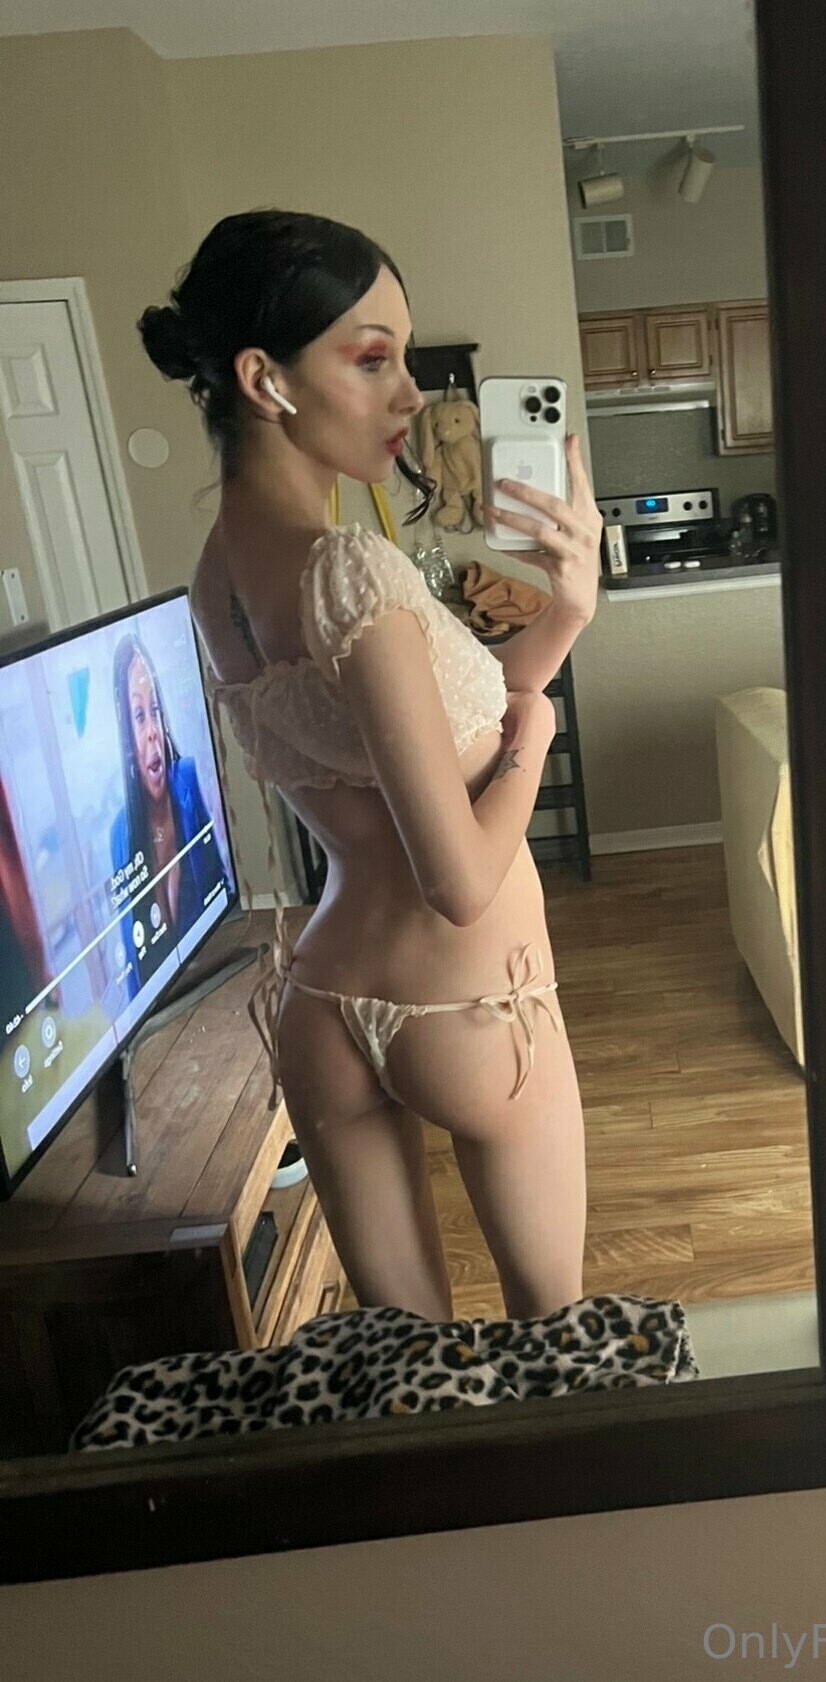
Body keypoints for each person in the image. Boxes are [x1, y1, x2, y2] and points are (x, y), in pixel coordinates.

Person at [138, 209, 602, 1324]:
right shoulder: (351, 568)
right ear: (267, 380)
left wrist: (567, 611)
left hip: (328, 1002)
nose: (411, 395)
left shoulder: (219, 574)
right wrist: (537, 735)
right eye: (372, 359)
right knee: (558, 1341)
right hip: (470, 1001)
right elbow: (460, 878)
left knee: (409, 1362)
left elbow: (415, 736)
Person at [109, 632, 233, 1000]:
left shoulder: (188, 779)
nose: (152, 732)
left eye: (155, 710)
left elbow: (225, 895)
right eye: (139, 715)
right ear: (126, 735)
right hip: (165, 1008)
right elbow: (135, 975)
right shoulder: (120, 835)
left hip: (214, 977)